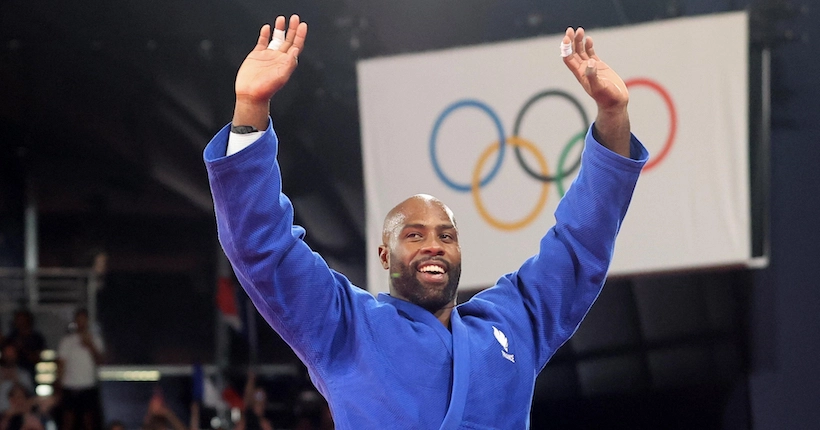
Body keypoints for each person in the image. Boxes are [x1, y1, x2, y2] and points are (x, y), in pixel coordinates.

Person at [203, 14, 647, 429]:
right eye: (414, 235)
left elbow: (580, 245)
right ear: (385, 254)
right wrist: (250, 107)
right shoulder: (345, 326)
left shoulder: (514, 323)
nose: (434, 245)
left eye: (446, 236)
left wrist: (613, 117)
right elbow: (262, 248)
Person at [56, 308, 105, 430]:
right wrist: (58, 385)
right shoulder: (67, 341)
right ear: (75, 321)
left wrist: (90, 345)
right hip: (70, 386)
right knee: (68, 421)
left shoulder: (96, 339)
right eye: (79, 320)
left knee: (89, 421)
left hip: (88, 386)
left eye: (83, 320)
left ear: (87, 321)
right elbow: (61, 364)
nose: (81, 322)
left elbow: (100, 362)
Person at [5, 309, 46, 387]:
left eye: (22, 319)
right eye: (17, 319)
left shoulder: (36, 337)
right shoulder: (12, 337)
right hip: (12, 372)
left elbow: (38, 358)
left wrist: (23, 348)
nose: (19, 322)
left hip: (30, 372)